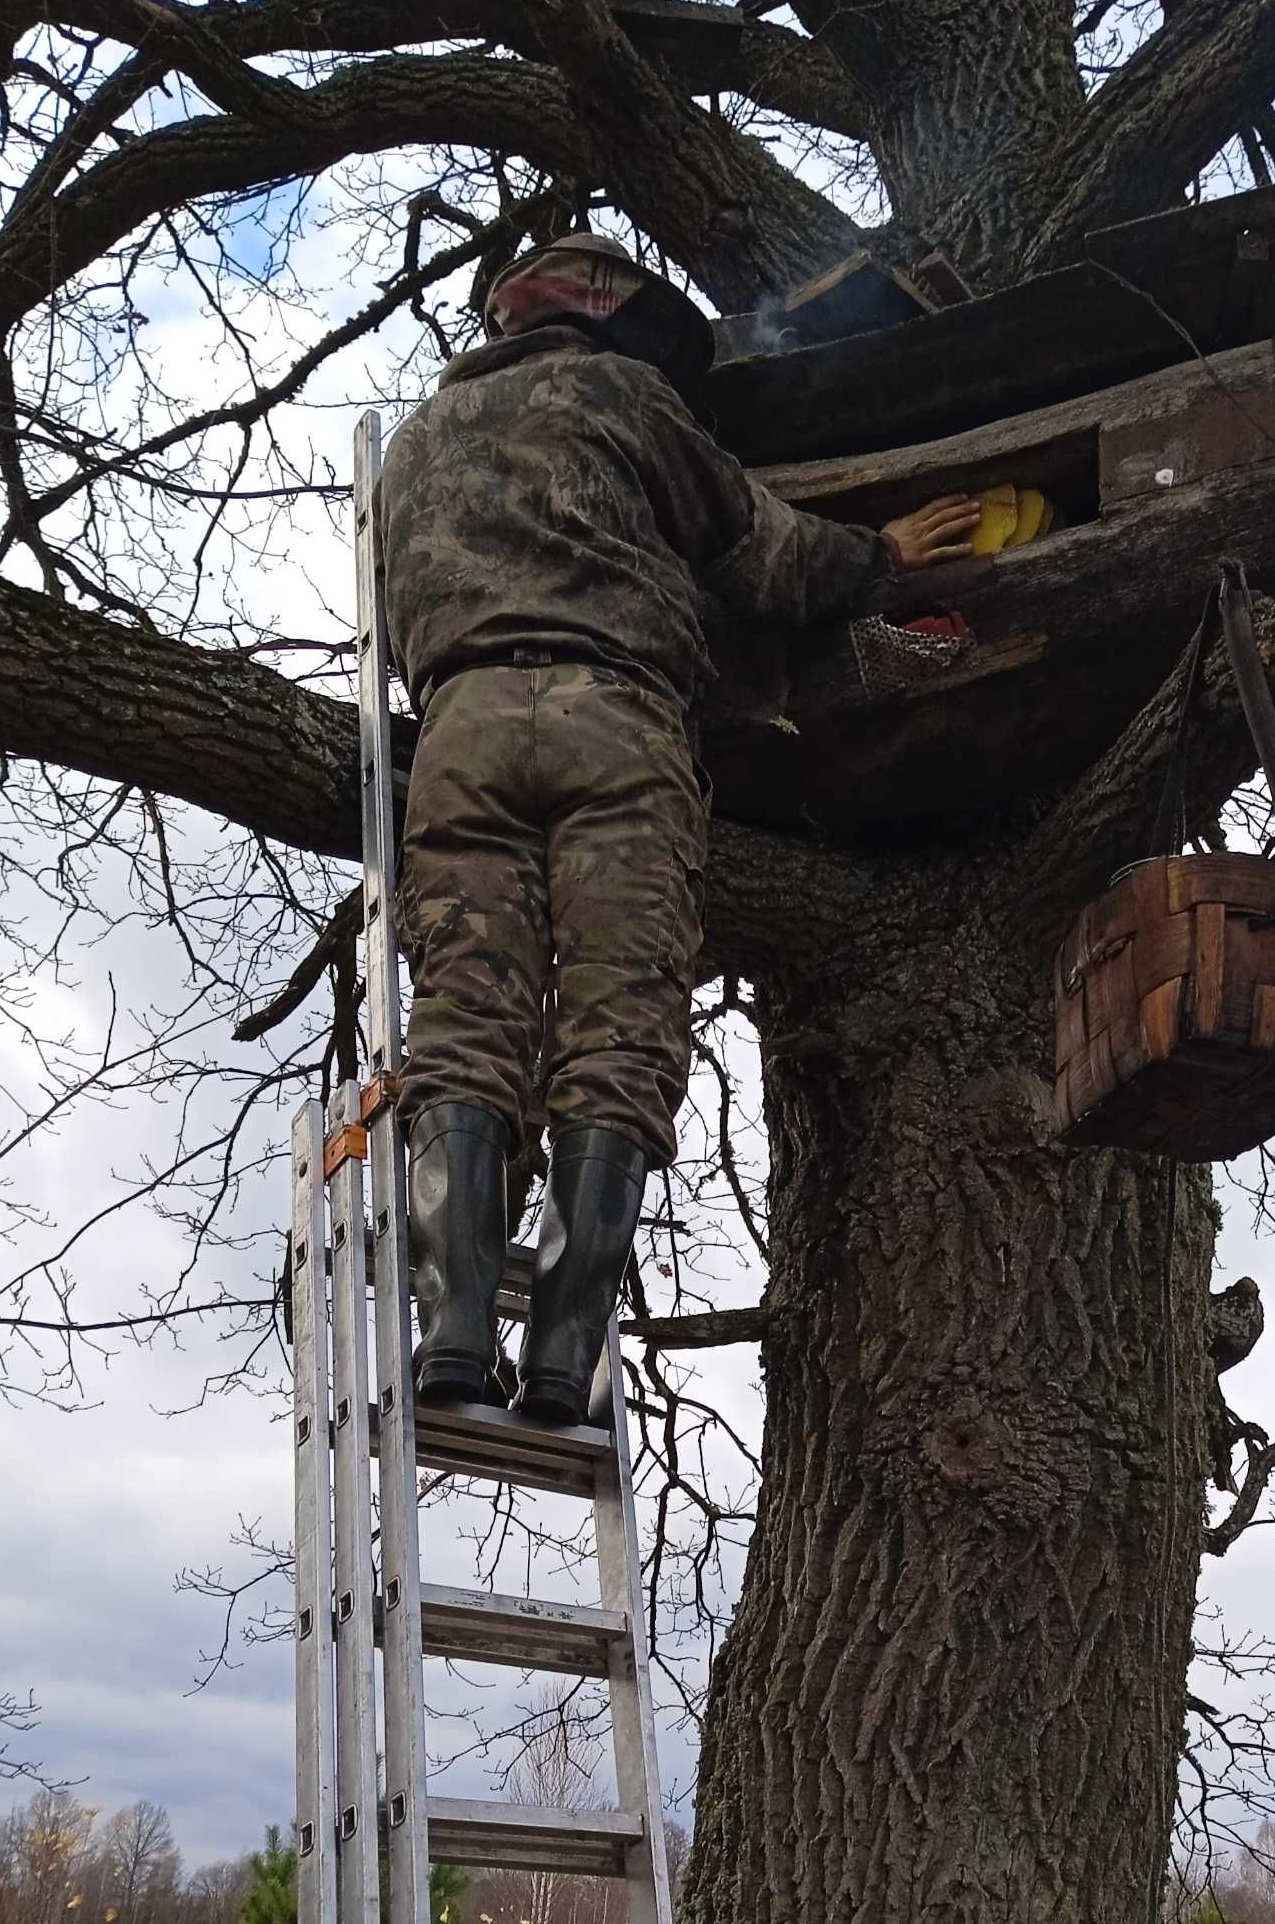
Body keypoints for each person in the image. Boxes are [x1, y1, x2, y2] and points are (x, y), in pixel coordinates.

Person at [379, 232, 979, 1424]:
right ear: (605, 324)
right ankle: (559, 1353)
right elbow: (762, 553)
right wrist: (883, 554)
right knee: (618, 1026)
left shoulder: (411, 446)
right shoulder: (622, 395)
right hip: (614, 724)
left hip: (458, 729)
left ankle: (452, 1333)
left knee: (466, 1014)